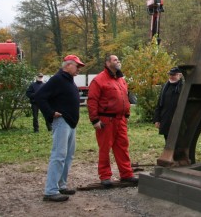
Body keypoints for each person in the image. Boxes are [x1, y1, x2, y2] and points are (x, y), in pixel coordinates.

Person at [34, 55, 85, 202]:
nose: (79, 69)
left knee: (68, 156)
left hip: (70, 123)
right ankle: (50, 191)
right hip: (62, 122)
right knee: (58, 155)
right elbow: (39, 96)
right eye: (77, 66)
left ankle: (61, 185)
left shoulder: (68, 80)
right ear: (68, 65)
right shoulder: (58, 79)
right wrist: (50, 113)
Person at [87, 54, 138, 186]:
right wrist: (95, 120)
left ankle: (126, 174)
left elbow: (125, 97)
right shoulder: (99, 80)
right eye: (115, 59)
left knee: (122, 147)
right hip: (106, 120)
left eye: (118, 59)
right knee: (105, 148)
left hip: (120, 120)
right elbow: (92, 100)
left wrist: (126, 114)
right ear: (108, 62)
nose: (118, 61)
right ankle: (105, 176)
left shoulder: (121, 79)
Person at [153, 66, 184, 141]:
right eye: (170, 75)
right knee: (167, 141)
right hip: (166, 119)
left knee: (178, 142)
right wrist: (157, 119)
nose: (171, 76)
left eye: (174, 75)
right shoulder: (165, 87)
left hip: (179, 121)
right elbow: (159, 104)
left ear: (180, 75)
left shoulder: (184, 87)